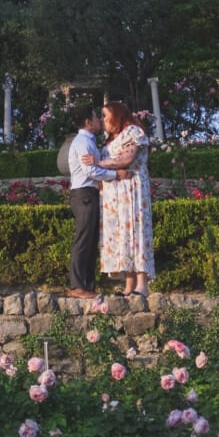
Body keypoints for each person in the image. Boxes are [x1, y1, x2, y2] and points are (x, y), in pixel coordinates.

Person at [83, 101, 154, 297]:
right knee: (123, 234)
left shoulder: (133, 132)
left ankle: (142, 283)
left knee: (136, 231)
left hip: (132, 189)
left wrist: (98, 162)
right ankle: (129, 284)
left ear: (117, 115)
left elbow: (127, 159)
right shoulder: (109, 139)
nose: (103, 120)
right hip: (114, 193)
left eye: (106, 116)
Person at [66, 102, 130, 298]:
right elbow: (90, 170)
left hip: (89, 194)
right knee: (83, 241)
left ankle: (87, 286)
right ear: (88, 122)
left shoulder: (89, 141)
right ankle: (77, 286)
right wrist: (116, 175)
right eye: (96, 117)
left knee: (91, 241)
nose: (99, 121)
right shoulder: (83, 142)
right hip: (84, 193)